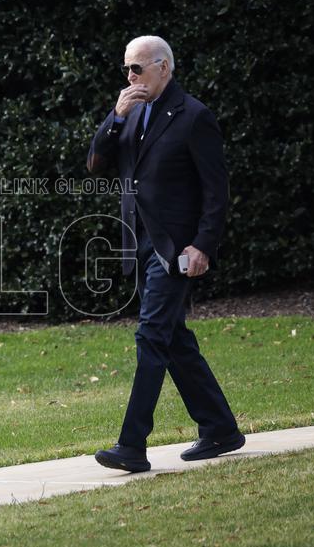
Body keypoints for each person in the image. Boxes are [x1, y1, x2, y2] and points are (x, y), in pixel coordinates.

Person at [86, 35, 244, 472]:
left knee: (151, 336)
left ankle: (132, 446)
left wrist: (203, 245)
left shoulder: (194, 117)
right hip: (137, 244)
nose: (130, 77)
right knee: (174, 340)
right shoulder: (130, 113)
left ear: (164, 68)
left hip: (175, 248)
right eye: (126, 70)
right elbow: (96, 164)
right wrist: (114, 118)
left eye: (137, 69)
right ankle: (220, 428)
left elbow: (216, 190)